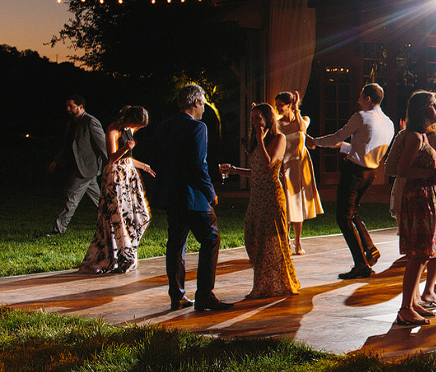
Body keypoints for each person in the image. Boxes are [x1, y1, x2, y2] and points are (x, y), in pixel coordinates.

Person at [307, 83, 395, 280]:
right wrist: (342, 147)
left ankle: (361, 265)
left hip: (354, 172)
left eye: (360, 96)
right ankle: (369, 248)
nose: (358, 100)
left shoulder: (361, 117)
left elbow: (338, 136)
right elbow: (364, 145)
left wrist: (315, 142)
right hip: (371, 172)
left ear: (368, 99)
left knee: (343, 217)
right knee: (351, 212)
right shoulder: (389, 123)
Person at [155, 83, 228, 312]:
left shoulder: (163, 128)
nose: (204, 108)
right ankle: (205, 294)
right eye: (203, 103)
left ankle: (177, 295)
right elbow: (198, 164)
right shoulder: (198, 127)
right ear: (196, 102)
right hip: (193, 197)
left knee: (176, 244)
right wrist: (211, 193)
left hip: (171, 195)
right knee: (211, 238)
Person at [390, 91, 436, 326]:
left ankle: (414, 302)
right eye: (432, 105)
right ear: (420, 110)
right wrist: (433, 173)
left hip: (429, 195)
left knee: (426, 251)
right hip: (419, 198)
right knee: (418, 254)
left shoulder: (426, 136)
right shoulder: (414, 137)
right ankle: (405, 308)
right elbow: (402, 170)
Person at [219, 103, 299, 300]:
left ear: (268, 119)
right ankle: (268, 283)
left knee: (270, 242)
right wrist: (235, 170)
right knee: (252, 238)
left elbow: (269, 163)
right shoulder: (258, 141)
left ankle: (268, 286)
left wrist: (259, 140)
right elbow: (257, 170)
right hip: (257, 196)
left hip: (271, 196)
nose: (254, 122)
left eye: (258, 118)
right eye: (252, 118)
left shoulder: (278, 138)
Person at [79, 105, 153, 274]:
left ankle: (127, 251)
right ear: (130, 119)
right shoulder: (113, 129)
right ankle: (117, 256)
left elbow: (129, 159)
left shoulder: (130, 131)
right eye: (136, 124)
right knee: (117, 216)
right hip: (115, 177)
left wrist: (143, 166)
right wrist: (125, 148)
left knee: (138, 215)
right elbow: (112, 157)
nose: (136, 129)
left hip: (129, 176)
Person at [47, 94, 107, 236]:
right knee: (100, 201)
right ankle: (116, 223)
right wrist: (56, 160)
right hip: (81, 168)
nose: (67, 108)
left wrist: (109, 163)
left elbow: (102, 144)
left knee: (70, 198)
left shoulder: (90, 121)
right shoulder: (72, 122)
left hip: (85, 169)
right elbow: (67, 145)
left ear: (80, 106)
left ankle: (58, 230)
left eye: (71, 106)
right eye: (67, 106)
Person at [273, 90, 322, 255]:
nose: (278, 108)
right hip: (284, 165)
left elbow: (301, 128)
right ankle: (285, 241)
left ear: (288, 105)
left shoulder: (303, 120)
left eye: (281, 105)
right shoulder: (278, 124)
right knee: (286, 204)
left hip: (300, 165)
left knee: (298, 204)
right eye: (277, 105)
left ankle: (298, 242)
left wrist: (295, 109)